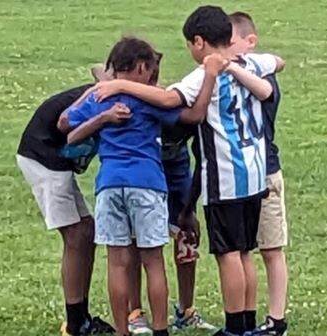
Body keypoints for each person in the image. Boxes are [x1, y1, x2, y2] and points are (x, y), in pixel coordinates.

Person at [93, 6, 284, 336]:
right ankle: (249, 321)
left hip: (226, 175)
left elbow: (168, 100)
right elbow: (278, 62)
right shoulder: (251, 62)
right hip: (255, 171)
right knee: (245, 252)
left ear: (199, 42)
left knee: (228, 254)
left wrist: (119, 86)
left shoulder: (202, 75)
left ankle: (236, 326)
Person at [64, 36, 227, 336]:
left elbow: (66, 126)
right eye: (150, 69)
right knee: (153, 261)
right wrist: (209, 80)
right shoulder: (149, 99)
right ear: (141, 67)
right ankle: (161, 329)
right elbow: (194, 115)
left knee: (117, 262)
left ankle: (123, 329)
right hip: (147, 184)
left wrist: (100, 112)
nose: (152, 76)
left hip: (109, 185)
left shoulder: (101, 97)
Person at [16, 67, 124, 335]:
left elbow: (100, 68)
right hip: (43, 155)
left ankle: (81, 316)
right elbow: (98, 70)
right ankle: (75, 323)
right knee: (76, 235)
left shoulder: (113, 87)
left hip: (57, 159)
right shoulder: (101, 94)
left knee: (86, 230)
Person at [229, 12, 288, 336]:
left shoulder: (260, 74)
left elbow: (269, 78)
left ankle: (276, 319)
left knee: (271, 248)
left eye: (231, 42)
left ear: (250, 43)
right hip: (241, 175)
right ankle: (247, 315)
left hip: (266, 170)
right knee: (244, 248)